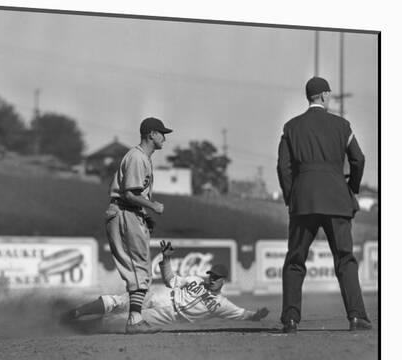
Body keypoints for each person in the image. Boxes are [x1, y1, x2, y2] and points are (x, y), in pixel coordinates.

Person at [277, 76, 372, 333]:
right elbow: (358, 160)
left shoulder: (291, 127)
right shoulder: (342, 125)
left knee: (295, 260)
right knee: (345, 259)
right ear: (325, 95)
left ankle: (291, 319)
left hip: (303, 201)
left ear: (309, 97)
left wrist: (291, 196)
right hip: (336, 200)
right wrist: (350, 188)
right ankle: (356, 317)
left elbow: (283, 168)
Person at [64, 241, 269, 329]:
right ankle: (76, 312)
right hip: (162, 294)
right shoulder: (197, 279)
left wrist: (255, 315)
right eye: (211, 275)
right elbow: (171, 280)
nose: (212, 279)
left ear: (224, 280)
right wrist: (166, 259)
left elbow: (242, 314)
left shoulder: (222, 304)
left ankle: (79, 328)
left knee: (120, 320)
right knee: (118, 301)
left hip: (167, 315)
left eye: (216, 277)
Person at [105, 117, 172, 334]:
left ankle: (135, 318)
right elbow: (129, 193)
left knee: (140, 268)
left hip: (129, 212)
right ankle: (134, 320)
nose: (164, 137)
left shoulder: (141, 157)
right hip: (125, 212)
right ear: (151, 134)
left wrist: (145, 213)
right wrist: (152, 206)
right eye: (161, 133)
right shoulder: (137, 157)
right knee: (138, 268)